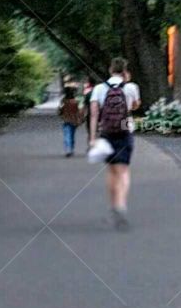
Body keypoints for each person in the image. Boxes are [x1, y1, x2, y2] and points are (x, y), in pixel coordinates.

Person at [89, 56, 141, 230]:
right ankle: (121, 205)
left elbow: (94, 113)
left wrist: (92, 137)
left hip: (106, 132)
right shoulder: (131, 87)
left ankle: (113, 206)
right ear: (125, 71)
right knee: (124, 171)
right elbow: (135, 106)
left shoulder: (99, 89)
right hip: (125, 130)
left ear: (111, 70)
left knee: (111, 171)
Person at [58, 83, 83, 156]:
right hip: (74, 121)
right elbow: (79, 111)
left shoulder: (63, 102)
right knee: (72, 135)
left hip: (66, 120)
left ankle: (67, 150)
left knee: (67, 135)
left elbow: (60, 111)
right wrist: (80, 119)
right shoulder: (76, 102)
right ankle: (71, 149)